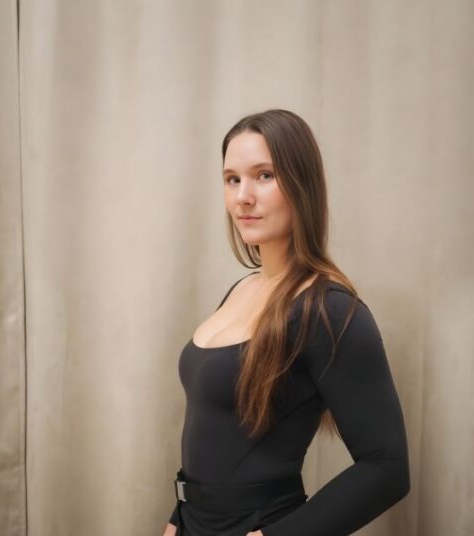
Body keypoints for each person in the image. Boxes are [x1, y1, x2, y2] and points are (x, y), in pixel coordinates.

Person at [162, 109, 409, 536]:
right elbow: (217, 441)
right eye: (232, 179)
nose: (243, 196)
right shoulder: (241, 289)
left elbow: (387, 468)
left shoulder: (329, 309)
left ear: (302, 184)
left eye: (264, 175)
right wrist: (176, 521)